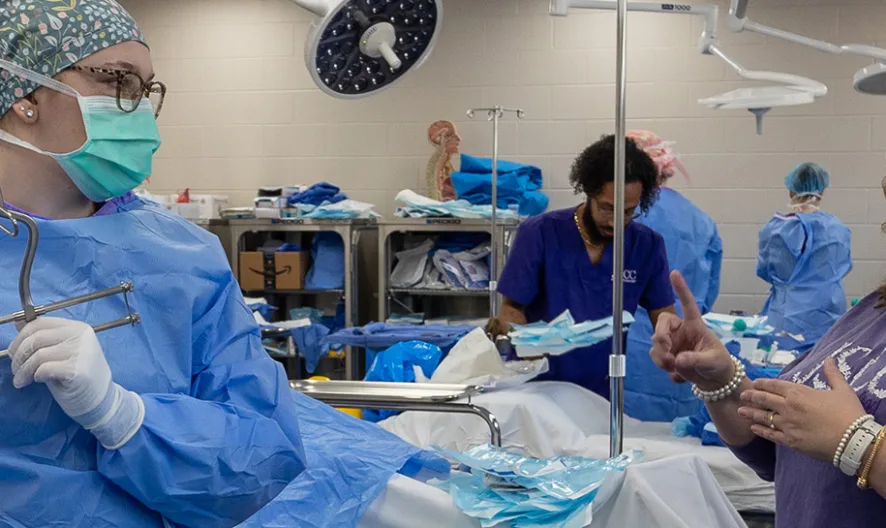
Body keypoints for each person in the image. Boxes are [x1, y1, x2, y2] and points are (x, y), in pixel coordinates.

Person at [0, 2, 445, 526]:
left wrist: (121, 416)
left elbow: (261, 461)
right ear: (23, 93)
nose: (138, 110)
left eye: (146, 90)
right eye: (117, 81)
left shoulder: (180, 252)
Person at [650, 270, 886, 528]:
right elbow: (782, 453)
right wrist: (722, 383)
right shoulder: (873, 310)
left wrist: (858, 443)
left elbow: (843, 437)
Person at [491, 135, 677, 399]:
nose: (615, 222)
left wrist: (677, 345)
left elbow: (664, 315)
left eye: (627, 211)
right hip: (537, 385)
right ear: (588, 192)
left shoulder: (646, 245)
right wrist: (526, 343)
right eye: (606, 208)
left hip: (601, 392)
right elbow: (511, 309)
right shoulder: (540, 233)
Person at [623, 130, 723, 423]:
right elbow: (709, 290)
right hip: (680, 342)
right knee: (672, 446)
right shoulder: (699, 219)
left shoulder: (622, 216)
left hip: (627, 345)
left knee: (616, 441)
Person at [756, 162, 852, 351]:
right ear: (822, 192)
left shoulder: (776, 229)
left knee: (783, 368)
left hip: (788, 315)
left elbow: (765, 271)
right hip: (827, 314)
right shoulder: (837, 229)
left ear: (791, 192)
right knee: (823, 367)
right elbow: (843, 266)